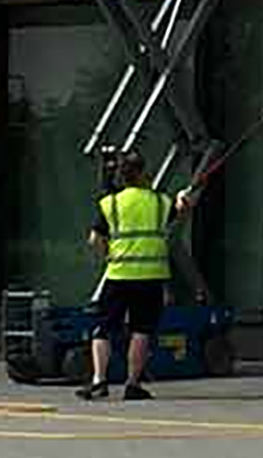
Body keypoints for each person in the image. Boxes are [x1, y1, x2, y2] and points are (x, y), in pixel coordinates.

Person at [79, 150, 197, 402]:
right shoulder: (159, 202)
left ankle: (99, 381)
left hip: (119, 274)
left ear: (121, 176)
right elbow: (179, 212)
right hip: (152, 276)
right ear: (144, 174)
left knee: (103, 328)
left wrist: (108, 254)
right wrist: (183, 200)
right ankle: (133, 384)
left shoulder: (110, 204)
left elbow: (95, 239)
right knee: (141, 330)